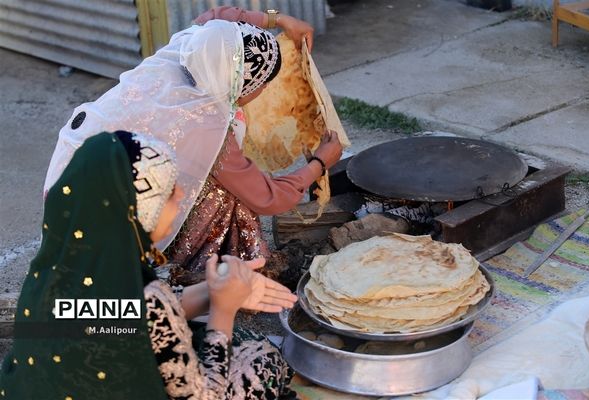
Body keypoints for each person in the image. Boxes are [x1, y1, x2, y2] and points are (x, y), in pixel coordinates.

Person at [43, 8, 343, 287]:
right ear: (240, 85)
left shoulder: (187, 49)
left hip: (67, 200)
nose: (264, 90)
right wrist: (319, 162)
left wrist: (276, 20)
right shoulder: (206, 128)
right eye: (262, 84)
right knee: (227, 196)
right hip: (105, 240)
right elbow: (267, 198)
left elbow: (214, 18)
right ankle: (197, 268)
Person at [0, 131, 298, 399]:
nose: (181, 196)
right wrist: (224, 310)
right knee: (262, 359)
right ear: (137, 214)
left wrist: (214, 291)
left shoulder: (53, 272)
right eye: (168, 193)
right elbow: (204, 396)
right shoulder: (145, 296)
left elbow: (117, 320)